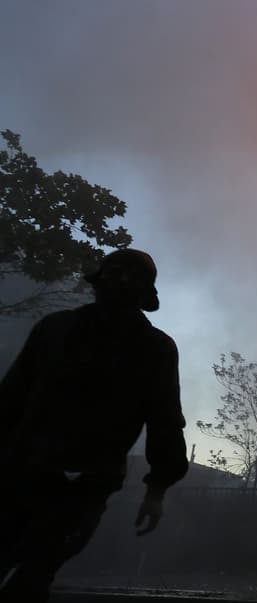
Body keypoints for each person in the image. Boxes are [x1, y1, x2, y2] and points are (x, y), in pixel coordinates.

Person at [0, 249, 188, 602]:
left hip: (69, 480)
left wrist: (158, 487)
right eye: (115, 274)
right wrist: (157, 489)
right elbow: (10, 401)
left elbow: (164, 421)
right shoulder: (149, 347)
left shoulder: (148, 348)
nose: (119, 283)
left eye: (127, 277)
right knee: (34, 567)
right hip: (35, 474)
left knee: (34, 568)